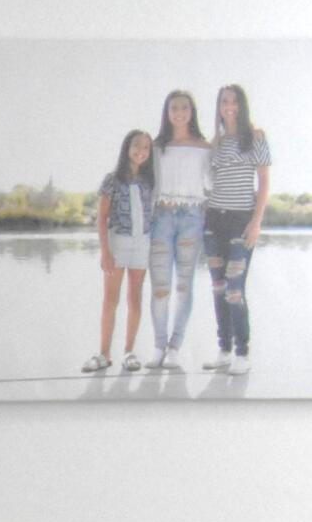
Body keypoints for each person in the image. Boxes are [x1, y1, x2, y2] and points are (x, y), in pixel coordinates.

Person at [202, 82, 272, 374]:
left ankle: (242, 353)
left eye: (233, 101)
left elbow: (265, 183)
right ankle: (224, 349)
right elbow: (207, 181)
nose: (228, 106)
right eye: (223, 102)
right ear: (219, 107)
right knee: (218, 288)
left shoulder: (255, 137)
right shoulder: (215, 143)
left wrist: (256, 222)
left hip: (241, 220)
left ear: (241, 106)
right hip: (213, 220)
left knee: (234, 290)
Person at [147, 89, 209, 371]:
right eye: (174, 108)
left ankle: (175, 346)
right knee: (161, 287)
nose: (180, 112)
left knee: (184, 285)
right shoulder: (157, 146)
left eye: (185, 107)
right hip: (162, 218)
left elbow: (213, 184)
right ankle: (159, 345)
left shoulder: (205, 147)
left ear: (191, 111)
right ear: (167, 112)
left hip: (192, 219)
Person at [86, 129, 156, 375]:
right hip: (118, 242)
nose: (141, 151)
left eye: (146, 148)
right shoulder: (112, 180)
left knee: (135, 299)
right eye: (137, 146)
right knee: (110, 301)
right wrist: (105, 251)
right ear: (127, 148)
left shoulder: (149, 182)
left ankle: (129, 352)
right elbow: (102, 218)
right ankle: (104, 354)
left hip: (142, 244)